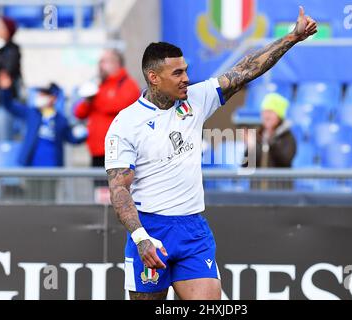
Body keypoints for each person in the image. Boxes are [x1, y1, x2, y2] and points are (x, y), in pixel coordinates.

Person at [105, 7, 317, 300]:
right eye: (177, 73)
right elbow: (118, 189)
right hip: (151, 229)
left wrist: (293, 37)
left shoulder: (197, 98)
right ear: (153, 77)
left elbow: (245, 69)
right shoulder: (126, 124)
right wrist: (141, 238)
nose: (186, 78)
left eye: (186, 70)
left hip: (193, 229)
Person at [0, 74, 87, 167]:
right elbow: (9, 106)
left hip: (53, 169)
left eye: (44, 94)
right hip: (32, 168)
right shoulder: (32, 113)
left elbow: (71, 138)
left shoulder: (61, 120)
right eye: (39, 93)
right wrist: (5, 90)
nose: (39, 96)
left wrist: (84, 134)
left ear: (53, 98)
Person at [74, 49, 141, 167]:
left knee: (115, 185)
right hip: (97, 150)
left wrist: (95, 97)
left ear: (116, 63)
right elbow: (79, 113)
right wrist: (88, 100)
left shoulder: (128, 84)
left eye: (104, 62)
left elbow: (119, 105)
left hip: (117, 151)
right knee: (98, 185)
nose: (100, 66)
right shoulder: (98, 84)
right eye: (100, 62)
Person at [243, 92, 296, 189]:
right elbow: (246, 167)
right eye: (264, 112)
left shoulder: (288, 137)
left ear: (279, 116)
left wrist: (269, 142)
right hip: (257, 195)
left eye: (271, 112)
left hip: (280, 195)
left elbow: (284, 161)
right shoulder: (257, 136)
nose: (266, 116)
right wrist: (250, 148)